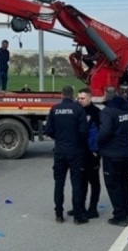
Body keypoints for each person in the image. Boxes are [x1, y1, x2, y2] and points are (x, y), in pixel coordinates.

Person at [45, 85, 89, 224]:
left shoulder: (55, 109)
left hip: (59, 151)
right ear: (73, 95)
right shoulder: (78, 110)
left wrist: (59, 138)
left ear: (61, 95)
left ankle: (59, 214)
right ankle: (77, 216)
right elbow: (84, 131)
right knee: (76, 184)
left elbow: (48, 130)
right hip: (75, 151)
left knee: (59, 184)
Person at [97, 87, 128, 227]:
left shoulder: (107, 112)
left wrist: (97, 141)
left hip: (111, 153)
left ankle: (119, 215)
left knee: (113, 185)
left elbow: (105, 131)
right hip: (126, 152)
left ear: (106, 97)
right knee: (123, 183)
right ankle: (127, 211)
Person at [76, 88, 102, 219]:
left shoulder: (96, 112)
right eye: (79, 98)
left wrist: (96, 150)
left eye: (83, 98)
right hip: (79, 152)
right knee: (81, 182)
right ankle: (80, 207)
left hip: (92, 153)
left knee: (94, 181)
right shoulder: (76, 110)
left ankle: (93, 208)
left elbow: (100, 133)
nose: (80, 101)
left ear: (90, 98)